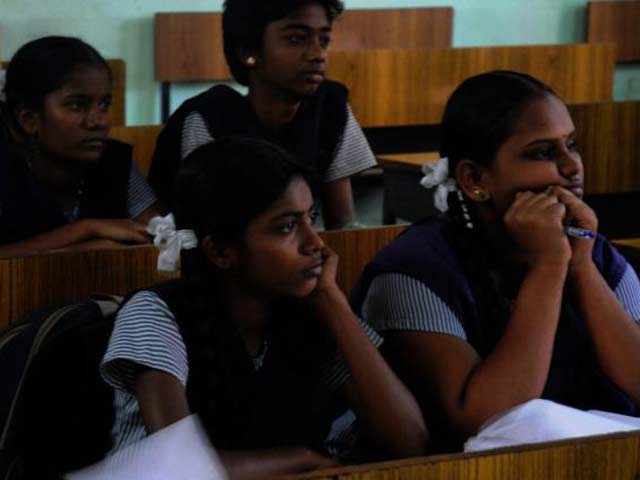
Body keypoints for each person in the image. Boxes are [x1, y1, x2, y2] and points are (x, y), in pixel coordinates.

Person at [101, 137, 427, 478]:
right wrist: (300, 458)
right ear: (221, 252)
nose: (315, 242)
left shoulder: (310, 310)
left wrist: (334, 304)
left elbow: (408, 441)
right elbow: (179, 469)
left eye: (311, 217)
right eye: (287, 227)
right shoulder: (155, 314)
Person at [352, 71, 640, 452]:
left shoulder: (594, 252)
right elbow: (488, 421)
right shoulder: (412, 271)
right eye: (543, 152)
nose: (572, 167)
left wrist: (580, 268)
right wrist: (549, 266)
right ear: (474, 179)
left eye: (572, 145)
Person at [148, 0, 376, 230]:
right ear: (248, 51)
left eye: (324, 40)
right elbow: (204, 235)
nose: (318, 54)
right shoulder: (208, 119)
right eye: (296, 39)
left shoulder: (330, 105)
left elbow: (343, 225)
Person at [0, 36, 162, 257]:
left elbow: (161, 239)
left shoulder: (116, 163)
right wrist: (85, 230)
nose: (98, 121)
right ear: (29, 119)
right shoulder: (5, 169)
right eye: (77, 105)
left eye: (104, 104)